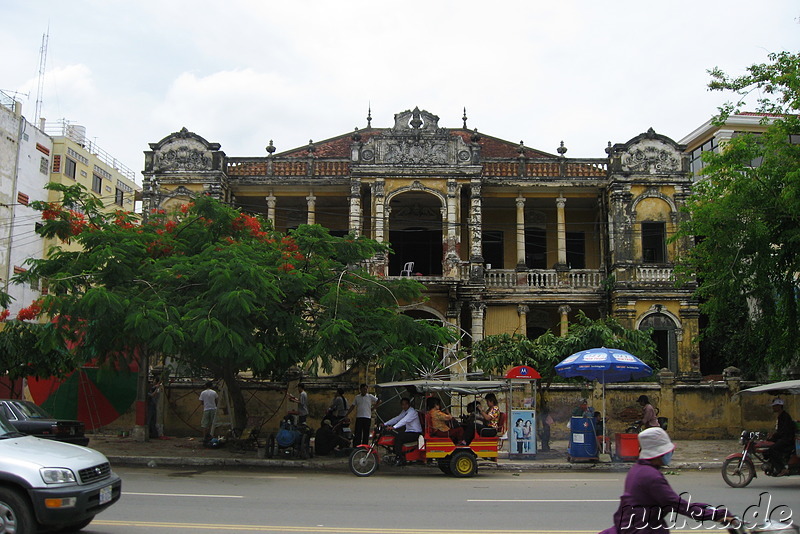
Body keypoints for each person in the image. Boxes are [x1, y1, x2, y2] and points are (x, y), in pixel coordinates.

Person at [599, 427, 733, 533]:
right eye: (668, 451)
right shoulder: (651, 477)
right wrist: (715, 515)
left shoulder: (638, 469)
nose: (671, 453)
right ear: (659, 453)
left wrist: (712, 510)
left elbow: (674, 503)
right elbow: (678, 505)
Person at [383, 397, 422, 465]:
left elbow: (404, 421)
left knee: (398, 437)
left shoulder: (412, 412)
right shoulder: (405, 412)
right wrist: (385, 424)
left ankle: (399, 457)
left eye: (405, 404)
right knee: (395, 435)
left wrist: (394, 427)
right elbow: (397, 418)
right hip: (409, 432)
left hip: (415, 433)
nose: (404, 406)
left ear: (409, 404)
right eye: (402, 404)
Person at [764, 398, 796, 476]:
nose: (773, 407)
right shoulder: (780, 416)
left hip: (787, 439)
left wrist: (774, 436)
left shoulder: (785, 416)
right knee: (767, 449)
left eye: (775, 406)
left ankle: (782, 469)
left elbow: (783, 431)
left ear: (779, 406)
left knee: (772, 450)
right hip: (783, 438)